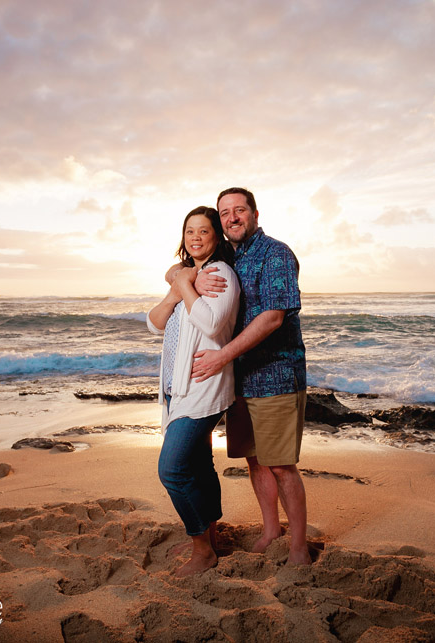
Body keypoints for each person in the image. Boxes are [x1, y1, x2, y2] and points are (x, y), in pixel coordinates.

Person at [190, 187, 311, 565]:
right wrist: (183, 278)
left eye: (239, 210)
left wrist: (220, 357)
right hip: (242, 380)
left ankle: (298, 547)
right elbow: (183, 264)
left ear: (255, 213)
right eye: (224, 213)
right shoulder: (230, 257)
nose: (232, 218)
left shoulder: (275, 253)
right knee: (255, 461)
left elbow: (273, 317)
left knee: (281, 465)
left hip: (275, 375)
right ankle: (272, 530)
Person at [147, 205, 241, 576]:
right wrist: (179, 286)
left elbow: (213, 324)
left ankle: (202, 551)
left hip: (202, 388)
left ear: (216, 236)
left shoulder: (221, 274)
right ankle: (211, 541)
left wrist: (184, 283)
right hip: (175, 388)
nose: (196, 238)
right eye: (190, 232)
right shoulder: (189, 276)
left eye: (203, 231)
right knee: (200, 466)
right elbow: (155, 324)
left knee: (172, 470)